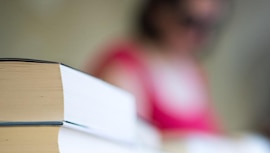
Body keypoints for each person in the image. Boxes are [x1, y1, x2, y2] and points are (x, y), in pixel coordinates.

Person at [88, 0, 226, 140]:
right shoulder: (124, 66)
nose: (197, 35)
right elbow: (127, 142)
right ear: (160, 11)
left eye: (207, 26)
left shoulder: (195, 73)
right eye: (189, 21)